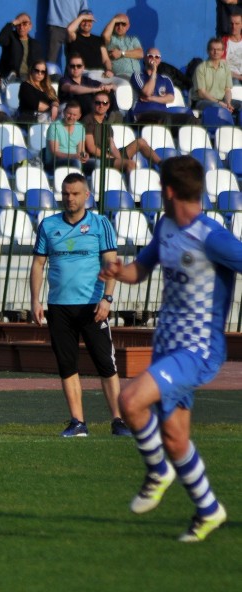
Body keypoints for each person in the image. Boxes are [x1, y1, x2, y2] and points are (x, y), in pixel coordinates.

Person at [99, 155, 235, 542]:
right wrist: (117, 272)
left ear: (169, 190)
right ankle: (209, 510)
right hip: (167, 345)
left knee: (130, 402)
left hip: (197, 350)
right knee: (175, 437)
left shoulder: (214, 237)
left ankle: (158, 471)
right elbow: (139, 271)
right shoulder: (167, 226)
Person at [30, 172, 129, 438]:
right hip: (59, 306)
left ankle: (118, 421)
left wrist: (107, 299)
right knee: (67, 365)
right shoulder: (48, 225)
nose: (69, 198)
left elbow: (111, 264)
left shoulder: (100, 224)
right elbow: (38, 264)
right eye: (65, 193)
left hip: (93, 307)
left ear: (87, 195)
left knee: (105, 364)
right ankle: (78, 422)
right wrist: (35, 300)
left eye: (75, 193)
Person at [83, 90, 160, 173]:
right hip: (96, 158)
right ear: (93, 104)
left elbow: (112, 146)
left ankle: (162, 164)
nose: (101, 105)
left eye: (104, 103)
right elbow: (91, 148)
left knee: (140, 142)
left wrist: (119, 160)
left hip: (109, 155)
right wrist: (111, 157)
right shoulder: (88, 120)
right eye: (98, 102)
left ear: (108, 105)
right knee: (130, 164)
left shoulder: (106, 123)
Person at [131, 48, 196, 125]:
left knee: (191, 120)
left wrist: (152, 98)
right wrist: (154, 71)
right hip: (142, 114)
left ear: (160, 60)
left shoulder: (165, 79)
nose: (154, 59)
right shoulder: (137, 76)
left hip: (163, 115)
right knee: (165, 119)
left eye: (157, 57)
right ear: (145, 58)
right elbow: (147, 93)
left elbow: (170, 98)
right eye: (150, 56)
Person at [58, 52, 117, 118]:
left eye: (79, 66)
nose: (75, 68)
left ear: (83, 67)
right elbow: (71, 88)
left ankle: (115, 115)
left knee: (109, 92)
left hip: (89, 110)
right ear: (68, 67)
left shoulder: (87, 80)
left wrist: (109, 87)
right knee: (83, 96)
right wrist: (95, 90)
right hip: (71, 109)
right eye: (72, 66)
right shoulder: (64, 80)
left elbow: (113, 87)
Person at [192, 38, 241, 113]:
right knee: (217, 107)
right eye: (213, 49)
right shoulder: (201, 68)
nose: (215, 52)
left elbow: (227, 90)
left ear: (222, 52)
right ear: (208, 51)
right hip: (203, 101)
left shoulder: (226, 68)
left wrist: (228, 103)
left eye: (218, 49)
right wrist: (219, 102)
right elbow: (202, 93)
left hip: (221, 100)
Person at [65, 10, 114, 78]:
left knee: (123, 84)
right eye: (84, 20)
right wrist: (82, 17)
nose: (86, 23)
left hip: (100, 73)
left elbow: (106, 59)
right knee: (92, 76)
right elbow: (69, 30)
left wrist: (109, 70)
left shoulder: (98, 40)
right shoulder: (74, 37)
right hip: (81, 74)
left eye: (89, 21)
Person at [0, 13, 43, 83]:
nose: (21, 27)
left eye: (24, 24)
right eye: (19, 24)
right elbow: (0, 39)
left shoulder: (36, 44)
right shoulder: (10, 38)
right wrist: (13, 22)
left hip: (29, 77)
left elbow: (39, 64)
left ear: (30, 26)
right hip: (12, 76)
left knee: (55, 78)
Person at [44, 100, 89, 172]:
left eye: (74, 115)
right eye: (69, 113)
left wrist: (84, 156)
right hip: (55, 161)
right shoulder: (54, 126)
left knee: (97, 163)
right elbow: (55, 152)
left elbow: (81, 150)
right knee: (76, 162)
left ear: (79, 116)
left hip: (75, 159)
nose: (71, 117)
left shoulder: (81, 127)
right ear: (64, 112)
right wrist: (73, 156)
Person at [102, 14, 143, 82]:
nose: (120, 27)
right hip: (121, 76)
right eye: (117, 24)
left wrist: (121, 53)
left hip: (138, 76)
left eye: (123, 24)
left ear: (128, 26)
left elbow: (140, 54)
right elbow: (105, 35)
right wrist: (114, 20)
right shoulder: (111, 39)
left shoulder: (133, 39)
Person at [222, 12, 242, 83]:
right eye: (231, 24)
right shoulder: (223, 42)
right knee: (235, 82)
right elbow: (222, 68)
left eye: (237, 24)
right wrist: (239, 77)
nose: (234, 27)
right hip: (231, 76)